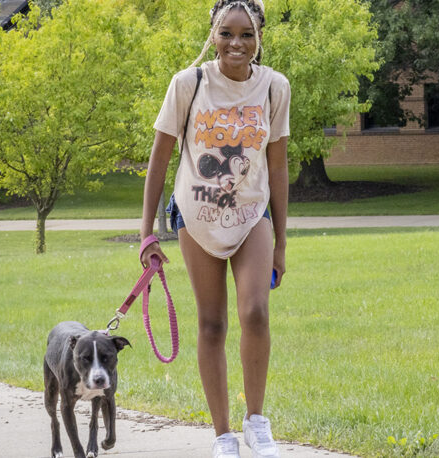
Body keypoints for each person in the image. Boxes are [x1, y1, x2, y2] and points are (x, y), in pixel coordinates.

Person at [139, 1, 290, 457]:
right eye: (227, 33)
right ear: (213, 33)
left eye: (246, 34)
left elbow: (277, 165)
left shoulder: (274, 87)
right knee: (211, 323)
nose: (236, 44)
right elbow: (160, 158)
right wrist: (146, 232)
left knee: (256, 314)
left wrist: (282, 242)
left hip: (251, 214)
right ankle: (224, 436)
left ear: (260, 35)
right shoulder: (189, 84)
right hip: (197, 214)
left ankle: (256, 423)